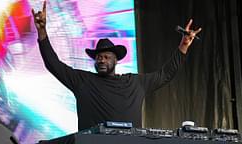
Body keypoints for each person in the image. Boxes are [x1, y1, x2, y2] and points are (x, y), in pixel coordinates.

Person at [32, 1, 201, 132]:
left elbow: (166, 74)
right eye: (98, 57)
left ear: (116, 61)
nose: (101, 60)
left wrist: (184, 45)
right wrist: (42, 32)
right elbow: (53, 64)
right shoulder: (83, 81)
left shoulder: (135, 83)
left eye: (106, 57)